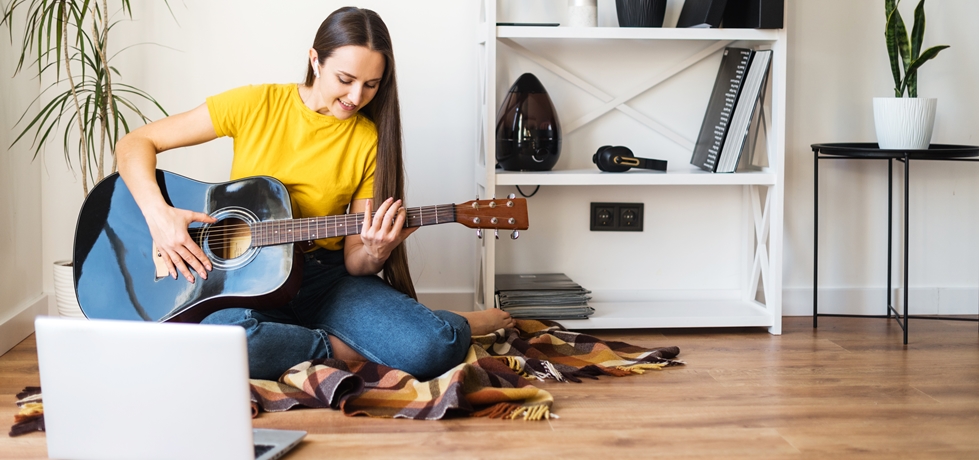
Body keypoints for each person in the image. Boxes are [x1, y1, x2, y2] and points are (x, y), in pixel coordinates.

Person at [115, 7, 514, 381]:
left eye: (371, 84)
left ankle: (446, 323)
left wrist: (376, 249)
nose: (357, 97)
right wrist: (159, 216)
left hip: (323, 277)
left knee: (433, 347)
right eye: (345, 79)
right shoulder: (255, 104)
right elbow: (136, 142)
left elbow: (357, 262)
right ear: (315, 60)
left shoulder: (369, 140)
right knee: (226, 341)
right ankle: (343, 346)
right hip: (239, 278)